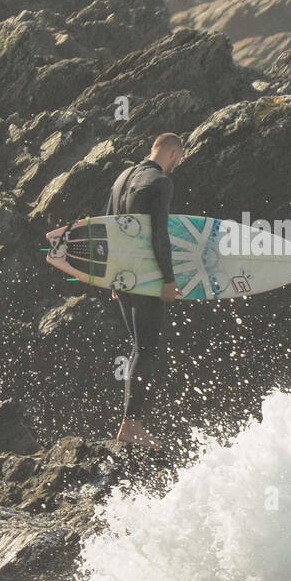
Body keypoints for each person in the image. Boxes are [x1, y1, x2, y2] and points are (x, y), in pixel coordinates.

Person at [103, 133, 184, 448]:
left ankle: (129, 422)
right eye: (178, 158)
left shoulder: (122, 178)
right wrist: (168, 280)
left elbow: (109, 227)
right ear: (174, 153)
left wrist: (112, 278)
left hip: (124, 276)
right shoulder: (161, 182)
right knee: (146, 350)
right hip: (148, 275)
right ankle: (131, 424)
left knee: (138, 347)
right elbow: (159, 234)